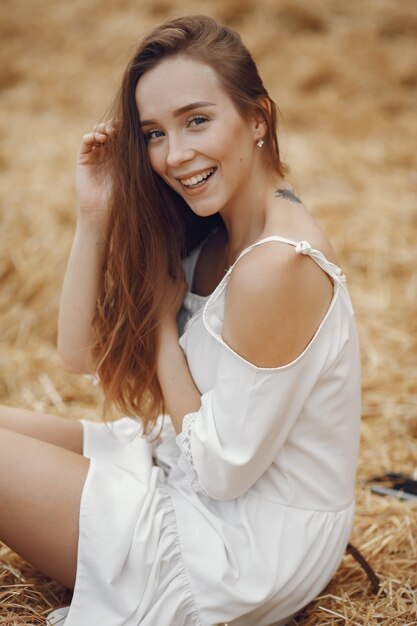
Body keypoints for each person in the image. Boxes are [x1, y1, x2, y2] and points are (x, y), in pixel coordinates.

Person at [0, 14, 361, 626]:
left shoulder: (276, 267)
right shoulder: (213, 232)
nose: (175, 154)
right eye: (154, 133)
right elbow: (79, 356)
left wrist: (165, 325)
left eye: (197, 120)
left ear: (257, 118)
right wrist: (94, 214)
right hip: (183, 474)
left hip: (237, 550)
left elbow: (220, 472)